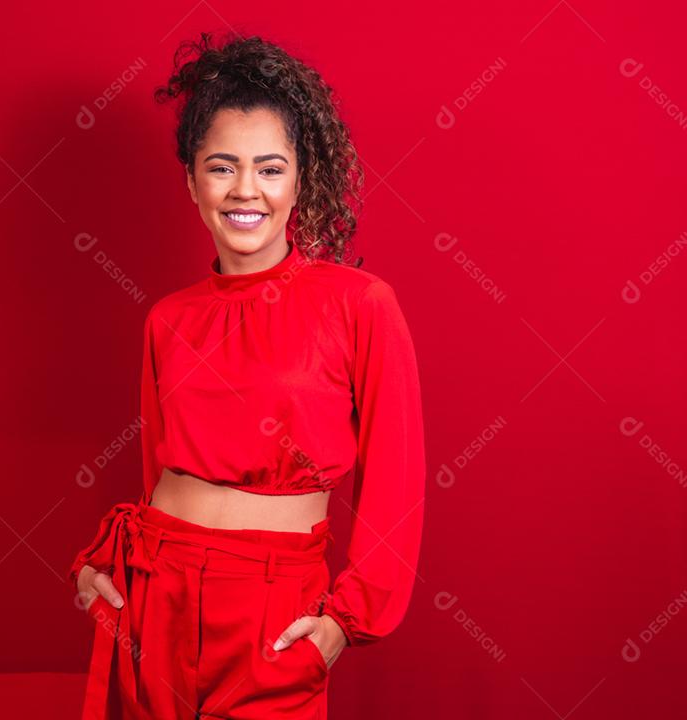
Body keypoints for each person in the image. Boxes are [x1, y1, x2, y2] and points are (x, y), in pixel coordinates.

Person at [67, 31, 426, 720]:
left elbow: (397, 480)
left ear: (300, 179)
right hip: (155, 597)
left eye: (269, 168)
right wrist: (104, 571)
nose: (244, 191)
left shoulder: (360, 305)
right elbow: (156, 473)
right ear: (192, 181)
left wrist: (342, 626)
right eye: (221, 167)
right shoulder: (169, 320)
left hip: (274, 611)